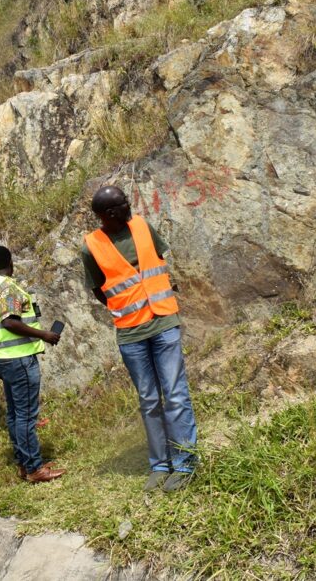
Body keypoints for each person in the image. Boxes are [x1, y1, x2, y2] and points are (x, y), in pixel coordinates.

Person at [82, 186, 198, 493]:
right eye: (122, 204)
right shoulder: (91, 246)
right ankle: (160, 465)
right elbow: (99, 290)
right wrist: (127, 307)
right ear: (108, 214)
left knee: (175, 394)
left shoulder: (143, 226)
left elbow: (157, 261)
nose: (128, 205)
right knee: (149, 401)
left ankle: (185, 463)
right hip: (131, 333)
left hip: (164, 321)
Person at [0, 246, 65, 483]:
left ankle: (23, 463)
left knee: (16, 414)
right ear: (10, 261)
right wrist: (44, 335)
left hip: (4, 358)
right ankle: (34, 468)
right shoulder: (7, 287)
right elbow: (10, 323)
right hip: (19, 358)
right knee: (26, 416)